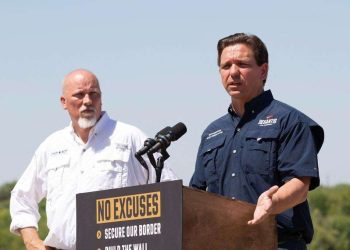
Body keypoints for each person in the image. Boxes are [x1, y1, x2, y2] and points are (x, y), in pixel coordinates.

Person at [10, 69, 177, 250]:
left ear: (101, 98)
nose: (88, 101)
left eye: (93, 94)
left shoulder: (130, 138)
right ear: (63, 102)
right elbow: (22, 197)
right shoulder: (51, 146)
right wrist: (32, 241)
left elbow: (170, 194)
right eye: (79, 95)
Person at [190, 33, 324, 249]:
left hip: (277, 243)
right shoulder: (212, 132)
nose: (233, 72)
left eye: (242, 64)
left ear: (263, 70)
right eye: (226, 66)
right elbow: (196, 194)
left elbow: (299, 186)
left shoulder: (289, 121)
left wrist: (273, 204)